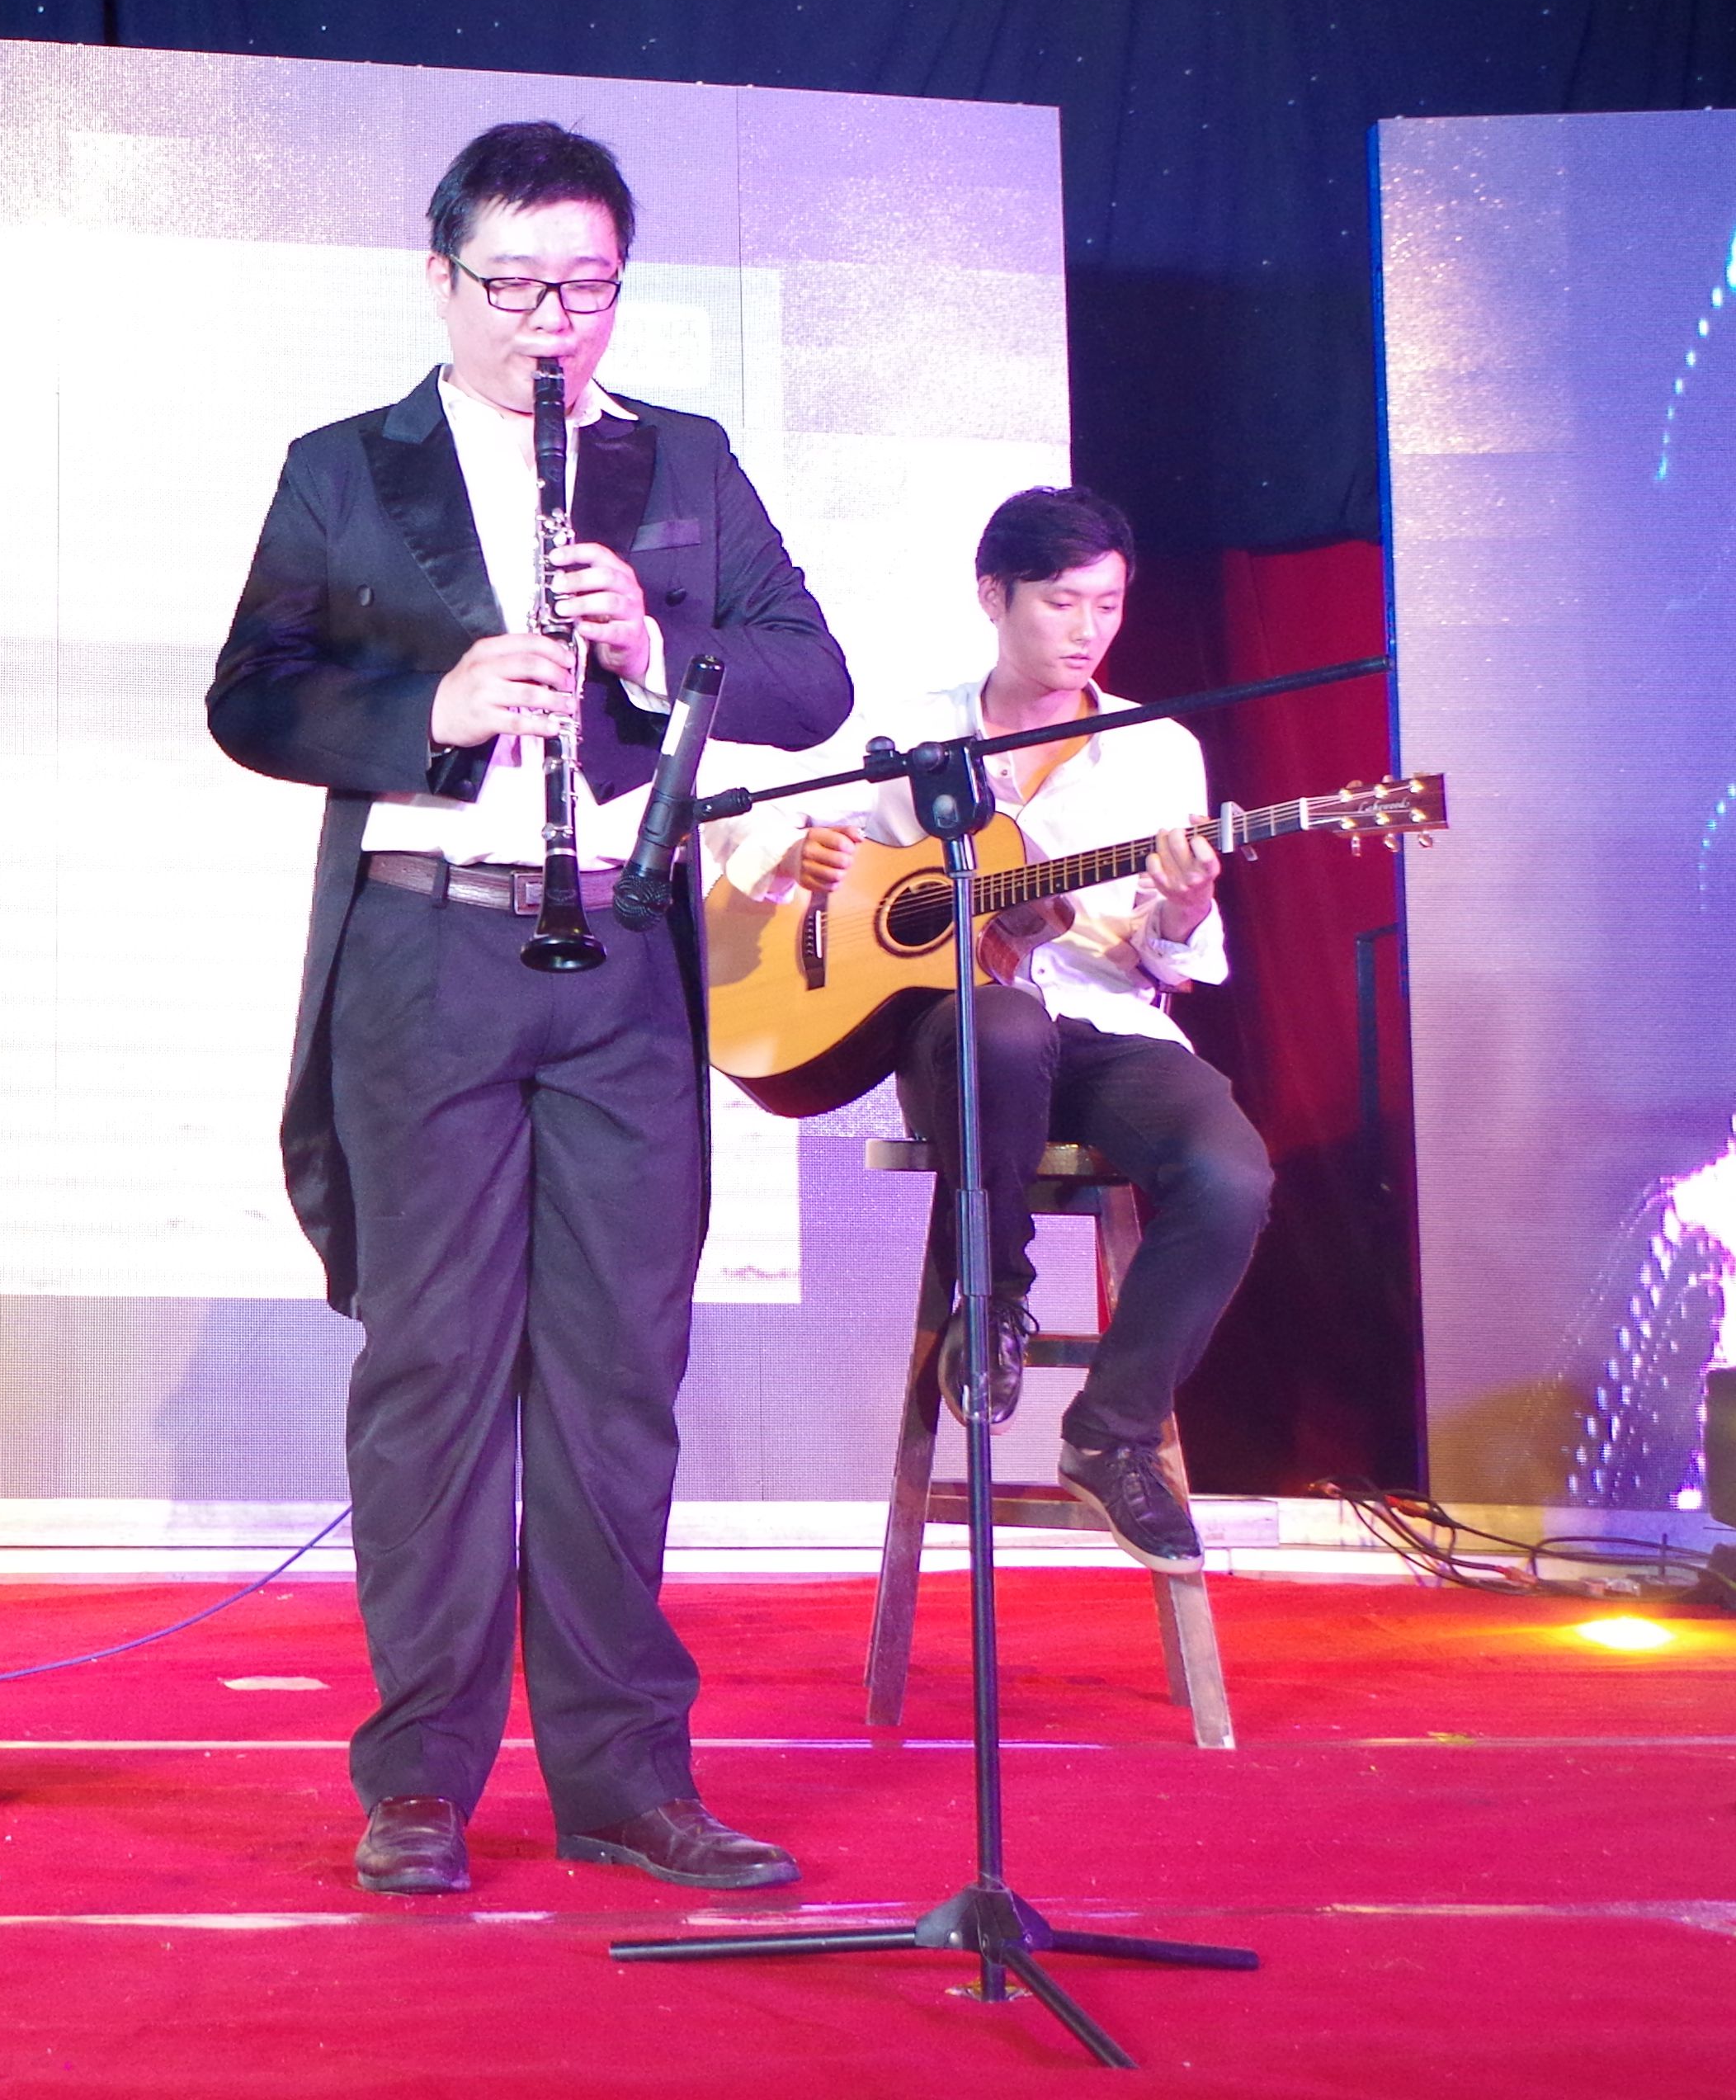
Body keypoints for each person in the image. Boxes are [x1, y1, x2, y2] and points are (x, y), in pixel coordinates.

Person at [207, 120, 851, 1899]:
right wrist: (433, 704)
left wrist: (650, 644)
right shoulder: (345, 465)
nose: (549, 322)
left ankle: (625, 1780)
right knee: (430, 1368)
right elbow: (249, 697)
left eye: (585, 286)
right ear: (440, 278)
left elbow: (809, 675)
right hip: (425, 953)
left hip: (623, 956)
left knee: (616, 1375)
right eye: (512, 285)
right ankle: (418, 1778)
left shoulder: (683, 460)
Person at [737, 486, 1271, 1572]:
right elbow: (756, 832)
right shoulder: (910, 730)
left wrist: (1184, 908)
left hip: (1109, 1028)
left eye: (1107, 606)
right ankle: (995, 1298)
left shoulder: (1157, 751)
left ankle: (1111, 1433)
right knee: (1006, 1022)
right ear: (994, 595)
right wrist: (799, 857)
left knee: (1232, 1175)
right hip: (959, 1035)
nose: (1087, 631)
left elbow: (1175, 963)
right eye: (1061, 603)